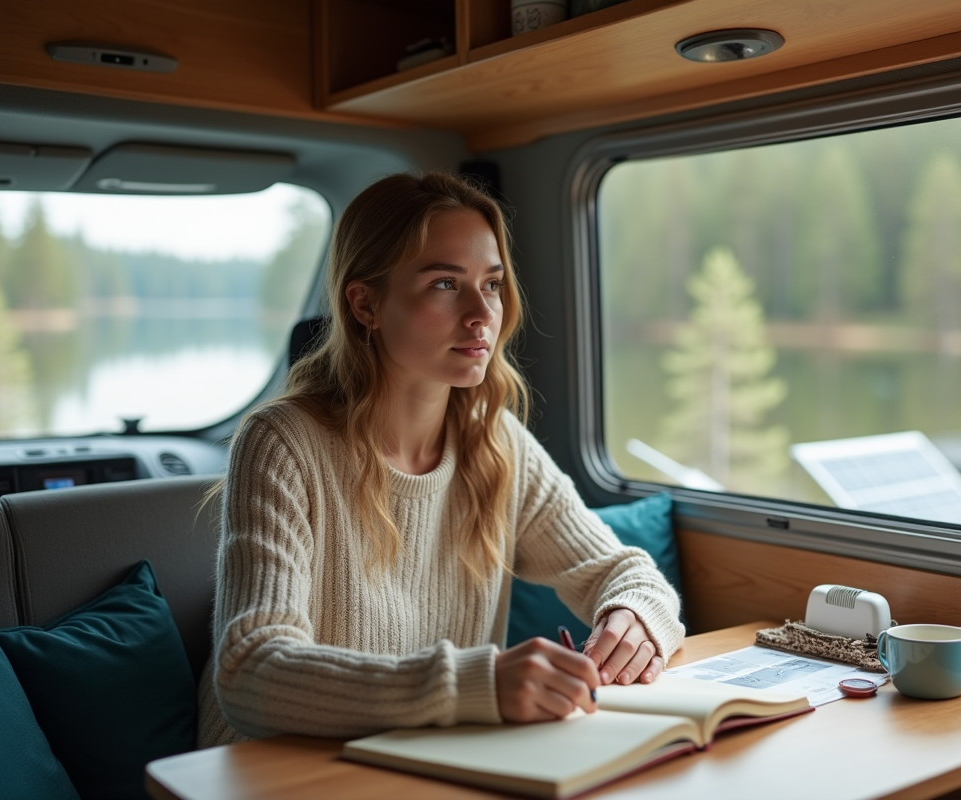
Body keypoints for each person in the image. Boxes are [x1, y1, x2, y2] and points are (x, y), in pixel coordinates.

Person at [197, 172, 685, 747]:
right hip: (273, 770)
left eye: (494, 284)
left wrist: (632, 619)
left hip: (428, 761)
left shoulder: (497, 443)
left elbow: (625, 572)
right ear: (365, 304)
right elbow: (252, 675)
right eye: (445, 284)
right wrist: (474, 686)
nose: (483, 313)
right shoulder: (282, 443)